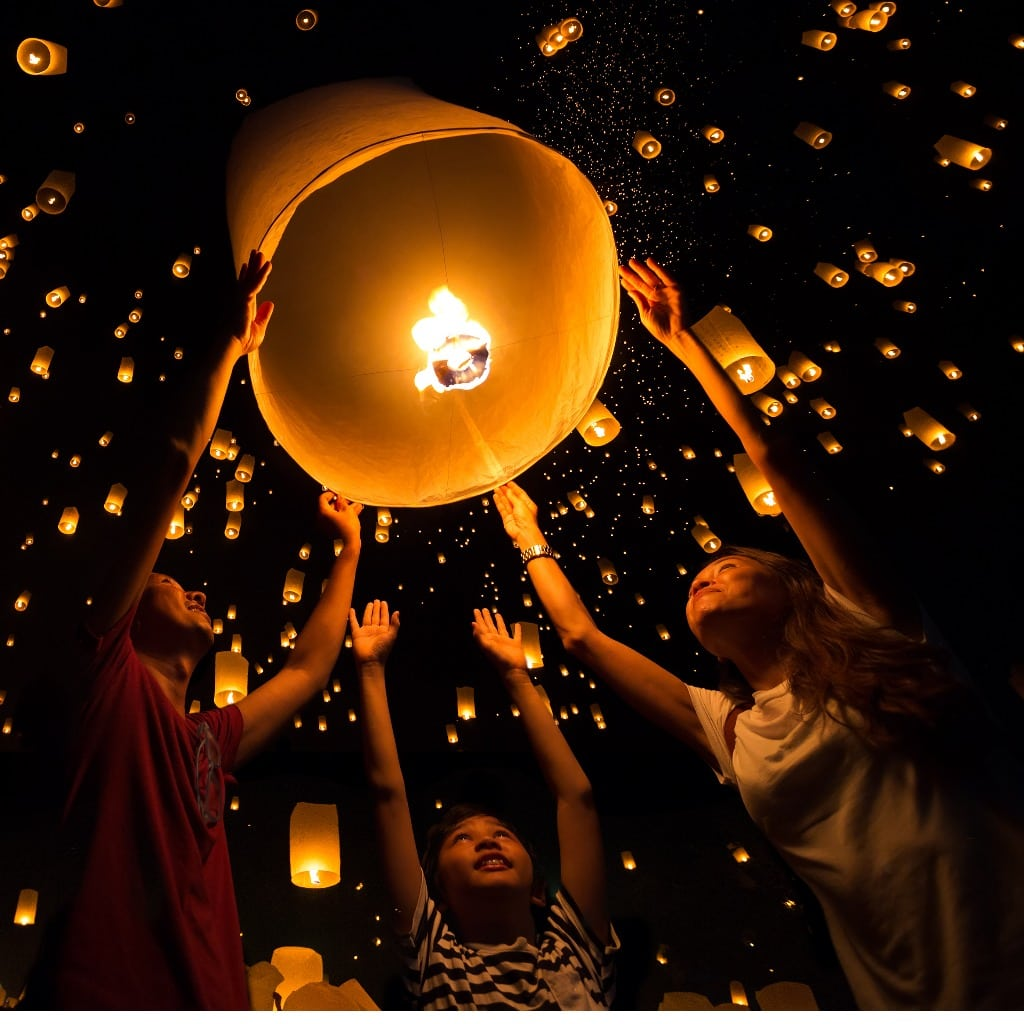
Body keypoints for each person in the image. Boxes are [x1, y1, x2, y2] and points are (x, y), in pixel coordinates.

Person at [487, 257, 1024, 1011]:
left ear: (797, 584)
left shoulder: (880, 627)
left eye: (728, 562)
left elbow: (777, 461)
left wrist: (685, 345)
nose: (702, 575)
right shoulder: (729, 725)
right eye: (695, 580)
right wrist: (529, 535)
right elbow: (578, 636)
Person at [25, 251, 365, 1010]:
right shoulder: (102, 681)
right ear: (124, 617)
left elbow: (307, 671)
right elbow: (174, 463)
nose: (196, 586)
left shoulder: (208, 740)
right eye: (171, 582)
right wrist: (227, 350)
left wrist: (350, 553)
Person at [350, 599, 618, 1010]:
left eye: (502, 834)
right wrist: (370, 670)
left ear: (538, 890)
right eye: (461, 839)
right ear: (437, 894)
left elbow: (577, 799)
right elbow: (389, 796)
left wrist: (518, 678)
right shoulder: (435, 960)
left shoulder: (575, 952)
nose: (487, 842)